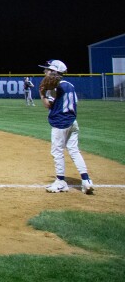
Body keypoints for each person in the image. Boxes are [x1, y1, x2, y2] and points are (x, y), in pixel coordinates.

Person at [39, 59, 94, 194]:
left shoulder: (53, 87)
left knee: (57, 152)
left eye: (47, 69)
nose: (44, 71)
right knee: (74, 151)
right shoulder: (69, 85)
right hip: (72, 122)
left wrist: (41, 93)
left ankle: (60, 181)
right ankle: (86, 181)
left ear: (54, 71)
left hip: (60, 123)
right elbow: (75, 103)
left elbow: (48, 105)